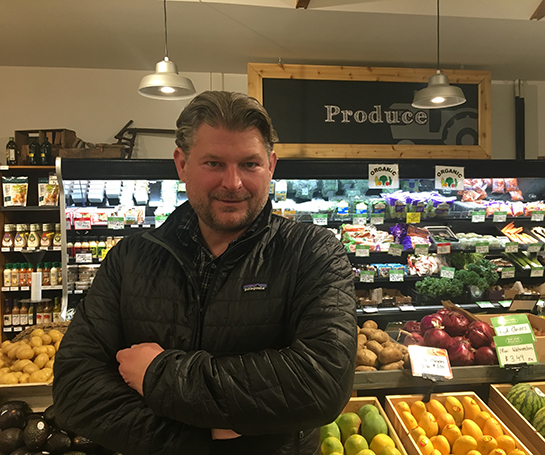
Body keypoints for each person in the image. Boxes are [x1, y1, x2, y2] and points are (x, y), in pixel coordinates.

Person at [53, 91, 357, 455]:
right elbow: (74, 386)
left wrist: (157, 374)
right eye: (213, 163)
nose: (233, 183)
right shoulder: (129, 259)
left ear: (271, 165)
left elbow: (321, 383)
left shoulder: (313, 252)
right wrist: (199, 438)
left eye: (250, 164)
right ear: (181, 164)